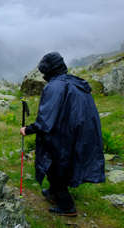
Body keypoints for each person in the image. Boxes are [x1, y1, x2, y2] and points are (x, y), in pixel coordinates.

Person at [20, 52, 105, 217]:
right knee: (64, 164)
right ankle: (52, 192)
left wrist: (28, 129)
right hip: (81, 132)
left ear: (48, 70)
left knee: (54, 166)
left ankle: (67, 206)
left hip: (64, 133)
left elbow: (45, 121)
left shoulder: (54, 87)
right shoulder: (74, 82)